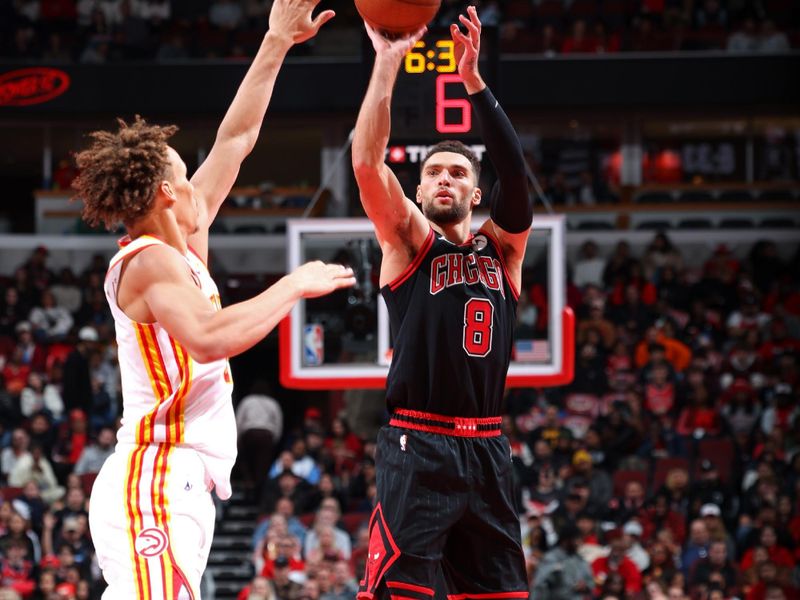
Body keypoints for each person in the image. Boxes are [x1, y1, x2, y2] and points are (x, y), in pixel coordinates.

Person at [74, 2, 353, 598]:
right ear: (169, 193)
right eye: (184, 169)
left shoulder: (184, 247)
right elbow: (208, 336)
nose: (201, 175)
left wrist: (276, 43)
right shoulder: (148, 262)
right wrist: (293, 285)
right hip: (153, 474)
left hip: (179, 481)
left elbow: (239, 136)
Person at [352, 5, 532, 596]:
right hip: (418, 443)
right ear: (421, 188)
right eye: (434, 173)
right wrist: (385, 62)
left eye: (457, 171)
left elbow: (516, 174)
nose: (445, 179)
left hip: (487, 446)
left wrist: (475, 82)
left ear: (476, 191)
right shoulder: (408, 243)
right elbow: (366, 162)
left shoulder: (502, 251)